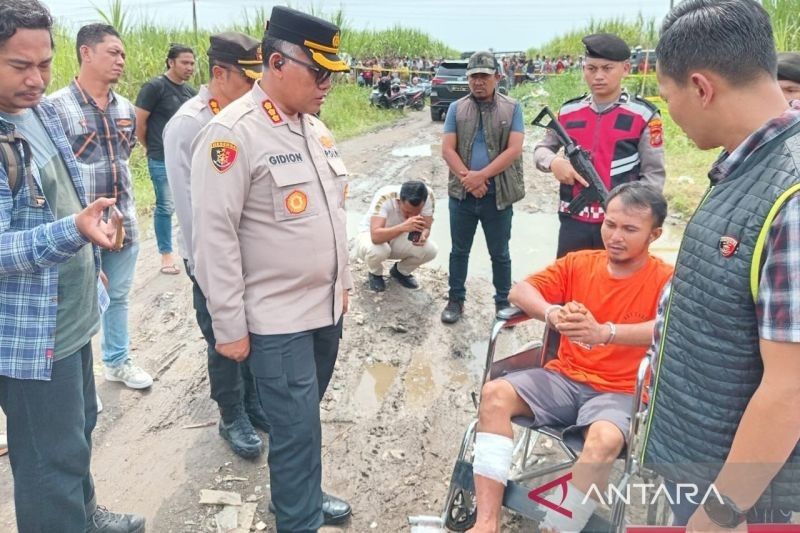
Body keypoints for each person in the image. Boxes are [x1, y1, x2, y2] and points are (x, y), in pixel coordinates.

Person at [190, 6, 353, 531]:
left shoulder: (315, 129)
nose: (328, 83)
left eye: (332, 73)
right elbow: (214, 238)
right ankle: (298, 517)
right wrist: (230, 328)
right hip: (276, 320)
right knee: (296, 426)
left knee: (302, 424)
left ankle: (298, 493)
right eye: (319, 71)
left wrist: (343, 287)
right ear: (277, 64)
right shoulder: (232, 134)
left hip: (324, 311)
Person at [642, 0, 800, 529]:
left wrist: (721, 510)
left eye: (668, 98)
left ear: (702, 87)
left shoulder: (792, 197)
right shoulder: (742, 165)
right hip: (697, 457)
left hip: (746, 500)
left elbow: (790, 389)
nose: (670, 113)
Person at [0, 1, 145, 531]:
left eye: (44, 64)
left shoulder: (35, 112)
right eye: (20, 66)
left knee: (79, 429)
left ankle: (85, 516)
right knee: (47, 462)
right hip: (34, 334)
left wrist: (89, 258)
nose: (37, 79)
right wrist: (73, 233)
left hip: (73, 312)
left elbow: (67, 195)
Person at [467, 183, 673, 533]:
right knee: (494, 395)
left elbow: (671, 326)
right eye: (610, 224)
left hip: (621, 392)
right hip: (564, 378)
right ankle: (486, 523)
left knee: (604, 440)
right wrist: (552, 314)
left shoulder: (665, 278)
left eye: (630, 229)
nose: (615, 236)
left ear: (654, 234)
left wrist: (605, 332)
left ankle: (559, 527)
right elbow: (520, 290)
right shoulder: (579, 263)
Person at [163, 31, 268, 459]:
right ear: (220, 73)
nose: (255, 88)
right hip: (211, 255)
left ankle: (253, 402)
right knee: (223, 335)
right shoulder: (189, 123)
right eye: (248, 79)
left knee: (255, 330)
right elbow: (191, 209)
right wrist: (202, 265)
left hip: (252, 252)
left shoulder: (250, 115)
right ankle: (231, 415)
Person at [50, 23, 153, 393]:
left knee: (119, 296)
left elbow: (123, 159)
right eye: (113, 52)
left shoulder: (125, 108)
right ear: (86, 53)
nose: (121, 60)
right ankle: (77, 384)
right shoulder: (55, 109)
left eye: (124, 54)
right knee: (77, 303)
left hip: (121, 221)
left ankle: (117, 361)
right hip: (78, 227)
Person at [534, 33, 666, 258]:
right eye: (591, 68)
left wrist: (634, 219)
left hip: (619, 227)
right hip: (572, 221)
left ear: (625, 69)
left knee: (617, 289)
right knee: (569, 286)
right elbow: (541, 150)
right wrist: (554, 162)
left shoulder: (644, 115)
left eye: (607, 68)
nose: (598, 76)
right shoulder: (568, 112)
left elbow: (653, 176)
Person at [440, 51, 525, 324]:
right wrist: (468, 178)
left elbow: (514, 149)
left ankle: (503, 302)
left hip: (497, 194)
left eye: (484, 76)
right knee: (458, 251)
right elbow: (447, 150)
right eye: (474, 77)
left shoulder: (512, 108)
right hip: (463, 194)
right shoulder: (456, 108)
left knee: (500, 253)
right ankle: (455, 300)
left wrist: (482, 176)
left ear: (497, 77)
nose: (478, 82)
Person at [134, 43, 196, 276]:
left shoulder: (190, 93)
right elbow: (139, 123)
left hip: (186, 160)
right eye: (184, 62)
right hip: (161, 158)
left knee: (190, 204)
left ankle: (191, 250)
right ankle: (166, 255)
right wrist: (150, 147)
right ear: (171, 62)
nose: (189, 67)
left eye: (192, 63)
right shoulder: (155, 87)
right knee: (166, 205)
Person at [356, 180, 437, 292]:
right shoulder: (385, 196)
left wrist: (423, 236)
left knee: (430, 250)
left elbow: (427, 227)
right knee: (379, 250)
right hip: (370, 236)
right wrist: (402, 227)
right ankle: (375, 273)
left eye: (416, 212)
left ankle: (400, 272)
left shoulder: (428, 196)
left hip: (398, 237)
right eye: (407, 212)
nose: (411, 216)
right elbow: (375, 237)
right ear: (399, 201)